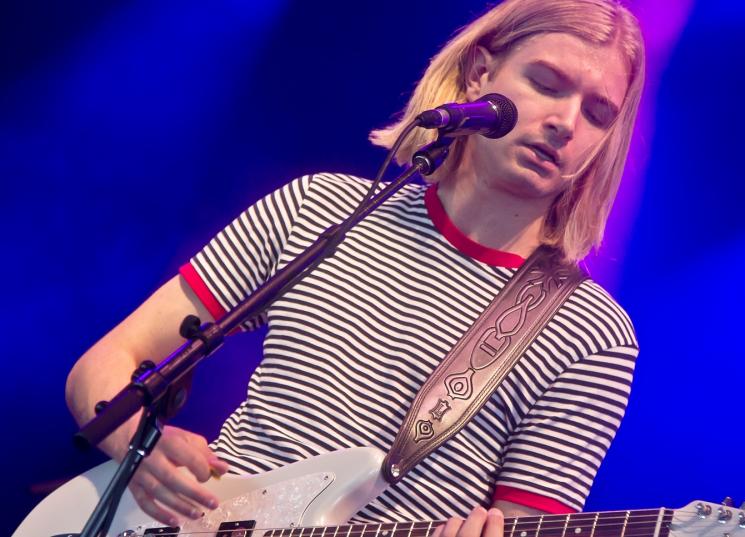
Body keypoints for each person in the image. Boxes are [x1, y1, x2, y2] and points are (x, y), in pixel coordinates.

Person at [66, 0, 645, 534]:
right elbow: (105, 363)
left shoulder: (589, 332)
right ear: (479, 74)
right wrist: (139, 448)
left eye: (598, 114)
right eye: (546, 84)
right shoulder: (319, 207)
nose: (566, 122)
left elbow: (527, 524)